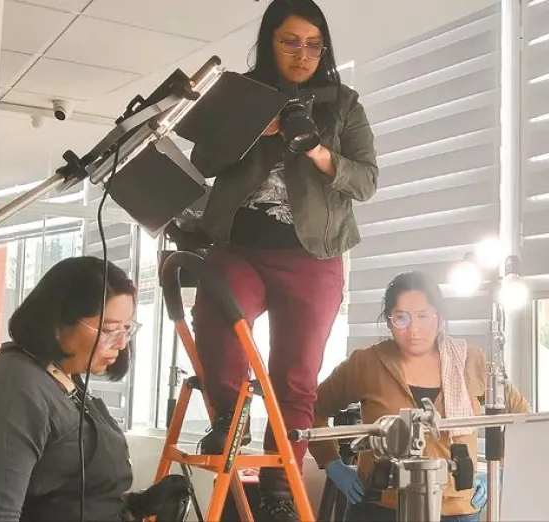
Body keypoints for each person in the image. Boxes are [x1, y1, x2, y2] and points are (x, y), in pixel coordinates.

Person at [191, 0, 378, 519]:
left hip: (313, 256)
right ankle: (230, 418)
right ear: (269, 42)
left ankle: (279, 490)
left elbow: (366, 180)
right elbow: (204, 160)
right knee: (217, 321)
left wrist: (317, 151)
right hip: (241, 246)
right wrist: (255, 128)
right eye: (290, 42)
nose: (303, 55)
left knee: (296, 377)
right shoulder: (240, 94)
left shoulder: (342, 103)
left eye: (314, 44)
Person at [0, 257, 191, 522]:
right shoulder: (15, 384)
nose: (121, 344)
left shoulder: (65, 379)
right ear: (58, 323)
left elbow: (72, 496)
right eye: (110, 330)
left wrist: (137, 505)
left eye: (126, 329)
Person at [309, 272, 531, 522]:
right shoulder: (366, 363)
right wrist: (333, 464)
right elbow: (310, 409)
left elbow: (523, 419)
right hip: (381, 506)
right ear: (389, 320)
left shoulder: (470, 361)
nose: (413, 329)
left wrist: (498, 469)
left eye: (423, 316)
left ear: (440, 316)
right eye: (401, 318)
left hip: (455, 509)